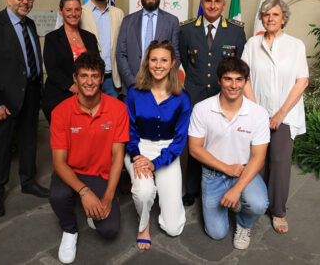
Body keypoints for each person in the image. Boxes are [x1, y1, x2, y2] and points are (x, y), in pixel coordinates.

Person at [49, 51, 129, 264]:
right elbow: (58, 163)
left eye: (95, 76)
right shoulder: (60, 112)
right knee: (57, 196)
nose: (90, 81)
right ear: (75, 78)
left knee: (109, 230)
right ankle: (69, 229)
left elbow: (117, 155)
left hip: (100, 173)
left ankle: (93, 205)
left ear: (103, 78)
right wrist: (85, 192)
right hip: (71, 170)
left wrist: (109, 196)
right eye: (84, 76)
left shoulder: (119, 109)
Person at [0, 0, 49, 218]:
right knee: (2, 146)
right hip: (5, 99)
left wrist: (38, 91)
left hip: (30, 93)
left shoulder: (29, 24)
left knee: (29, 140)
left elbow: (32, 59)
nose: (25, 1)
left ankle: (28, 181)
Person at [241, 0, 309, 234]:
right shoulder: (252, 43)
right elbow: (244, 78)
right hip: (256, 112)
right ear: (262, 18)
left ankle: (278, 211)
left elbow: (302, 81)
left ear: (284, 19)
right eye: (266, 14)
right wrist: (257, 110)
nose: (270, 18)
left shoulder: (296, 45)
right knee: (256, 161)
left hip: (285, 115)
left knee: (279, 163)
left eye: (275, 15)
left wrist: (280, 113)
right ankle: (254, 204)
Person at [188, 57, 269, 250]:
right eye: (228, 79)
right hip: (213, 174)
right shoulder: (202, 109)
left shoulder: (258, 114)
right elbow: (194, 149)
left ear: (246, 82)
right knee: (217, 233)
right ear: (219, 80)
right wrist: (226, 169)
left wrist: (237, 188)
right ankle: (228, 200)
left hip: (244, 171)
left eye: (239, 79)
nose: (233, 85)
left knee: (259, 204)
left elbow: (259, 157)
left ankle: (244, 222)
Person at [179, 0, 247, 206]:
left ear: (224, 5)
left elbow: (240, 66)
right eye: (208, 1)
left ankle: (224, 182)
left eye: (217, 1)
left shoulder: (236, 31)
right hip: (195, 94)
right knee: (194, 143)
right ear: (202, 3)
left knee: (222, 140)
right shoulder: (187, 29)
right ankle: (191, 188)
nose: (212, 5)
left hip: (224, 96)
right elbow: (182, 61)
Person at [124, 40, 192, 250]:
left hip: (168, 151)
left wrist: (155, 164)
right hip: (139, 148)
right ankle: (143, 223)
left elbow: (180, 141)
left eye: (164, 60)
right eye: (154, 60)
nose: (158, 65)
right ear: (147, 62)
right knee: (143, 192)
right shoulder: (134, 92)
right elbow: (129, 130)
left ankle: (163, 200)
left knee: (173, 228)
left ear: (172, 63)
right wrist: (137, 156)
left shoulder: (182, 98)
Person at [116, 0, 180, 94]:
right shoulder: (128, 21)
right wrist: (132, 82)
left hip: (162, 89)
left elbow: (175, 55)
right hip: (132, 87)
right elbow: (121, 54)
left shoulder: (172, 21)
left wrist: (162, 81)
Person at [41, 0, 99, 123]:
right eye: (68, 10)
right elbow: (52, 69)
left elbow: (97, 66)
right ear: (61, 12)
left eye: (77, 9)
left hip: (88, 96)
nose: (73, 13)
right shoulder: (52, 38)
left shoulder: (90, 37)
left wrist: (87, 91)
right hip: (60, 96)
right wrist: (75, 89)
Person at [80, 0, 125, 98]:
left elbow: (122, 48)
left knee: (110, 118)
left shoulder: (118, 14)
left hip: (112, 81)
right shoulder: (79, 13)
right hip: (88, 80)